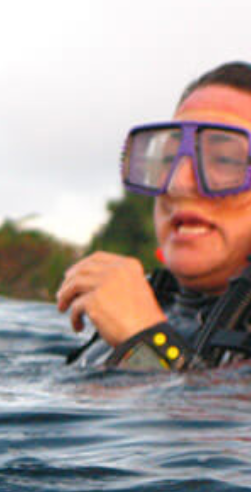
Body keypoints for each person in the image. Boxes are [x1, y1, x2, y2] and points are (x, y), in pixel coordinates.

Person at [57, 61, 251, 371]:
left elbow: (209, 412)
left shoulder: (139, 322)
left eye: (225, 160)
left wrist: (146, 338)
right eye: (168, 159)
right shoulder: (152, 306)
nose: (178, 183)